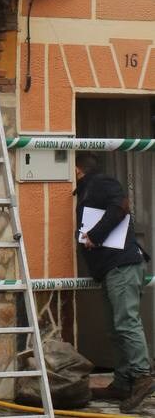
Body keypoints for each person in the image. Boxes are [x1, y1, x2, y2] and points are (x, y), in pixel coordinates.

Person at [75, 153, 153, 413]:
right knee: (115, 326)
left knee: (126, 322)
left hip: (122, 267)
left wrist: (95, 236)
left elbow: (121, 205)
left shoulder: (99, 182)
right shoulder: (89, 188)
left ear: (77, 170)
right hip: (112, 269)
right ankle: (122, 382)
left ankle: (143, 376)